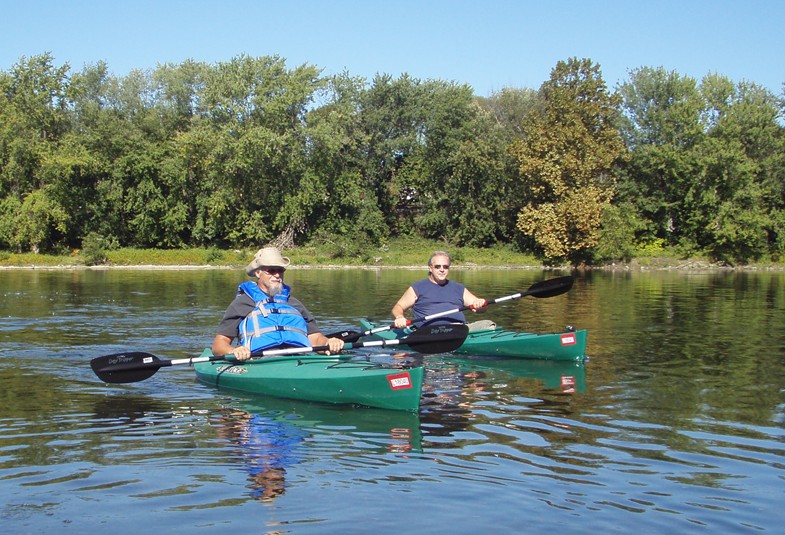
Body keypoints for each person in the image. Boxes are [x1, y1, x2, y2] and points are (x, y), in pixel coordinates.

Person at [212, 247, 344, 361]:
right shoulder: (242, 304)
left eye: (280, 270)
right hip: (259, 360)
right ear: (258, 273)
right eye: (271, 270)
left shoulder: (294, 303)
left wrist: (328, 342)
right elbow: (219, 344)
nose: (277, 275)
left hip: (299, 358)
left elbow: (315, 338)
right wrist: (234, 351)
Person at [391, 251, 487, 329]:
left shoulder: (459, 288)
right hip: (430, 332)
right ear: (430, 268)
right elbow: (398, 307)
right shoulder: (418, 287)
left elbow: (481, 309)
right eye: (438, 266)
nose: (442, 270)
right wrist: (400, 317)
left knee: (488, 324)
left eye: (445, 267)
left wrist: (480, 304)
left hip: (459, 330)